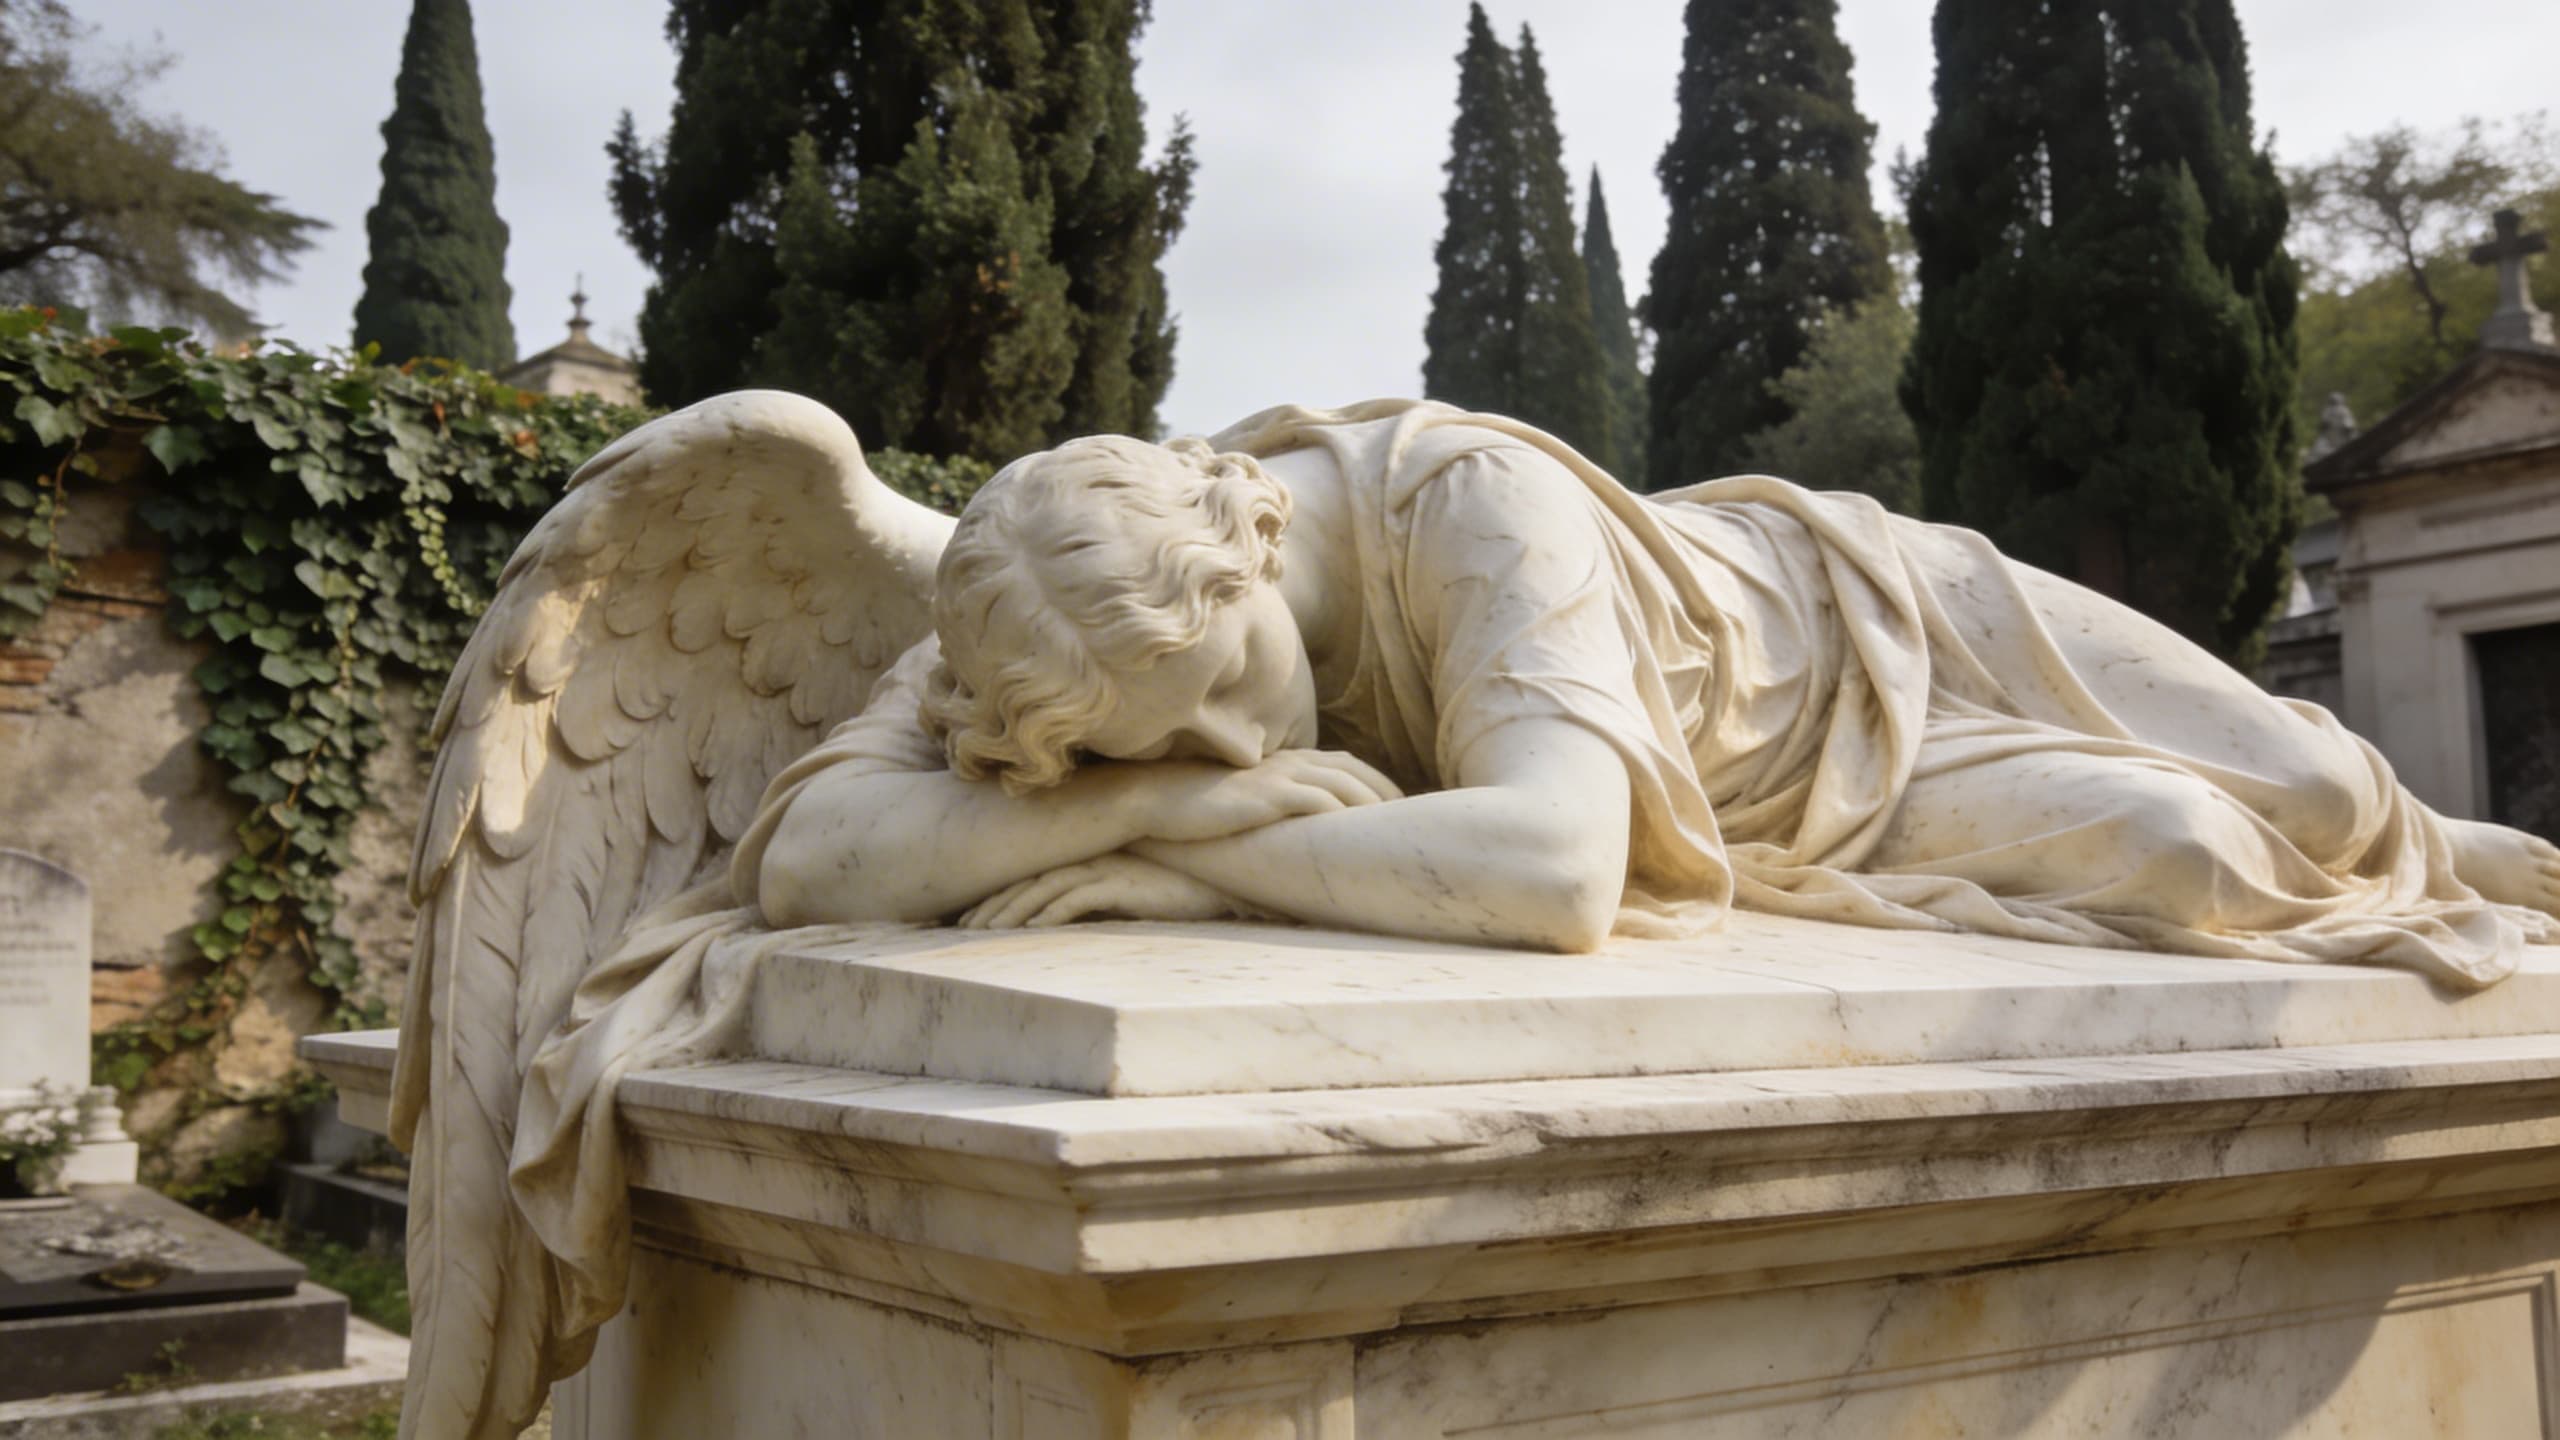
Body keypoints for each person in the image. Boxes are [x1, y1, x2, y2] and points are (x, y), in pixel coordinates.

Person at [741, 398, 2560, 987]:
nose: (1241, 748)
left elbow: (1548, 871)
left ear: (1244, 551)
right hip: (1775, 815)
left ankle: (2497, 858)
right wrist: (1159, 802)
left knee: (2329, 808)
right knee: (2189, 859)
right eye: (1167, 750)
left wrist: (1184, 848)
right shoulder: (1050, 594)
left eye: (1235, 693)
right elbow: (810, 860)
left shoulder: (1459, 503)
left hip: (1873, 628)